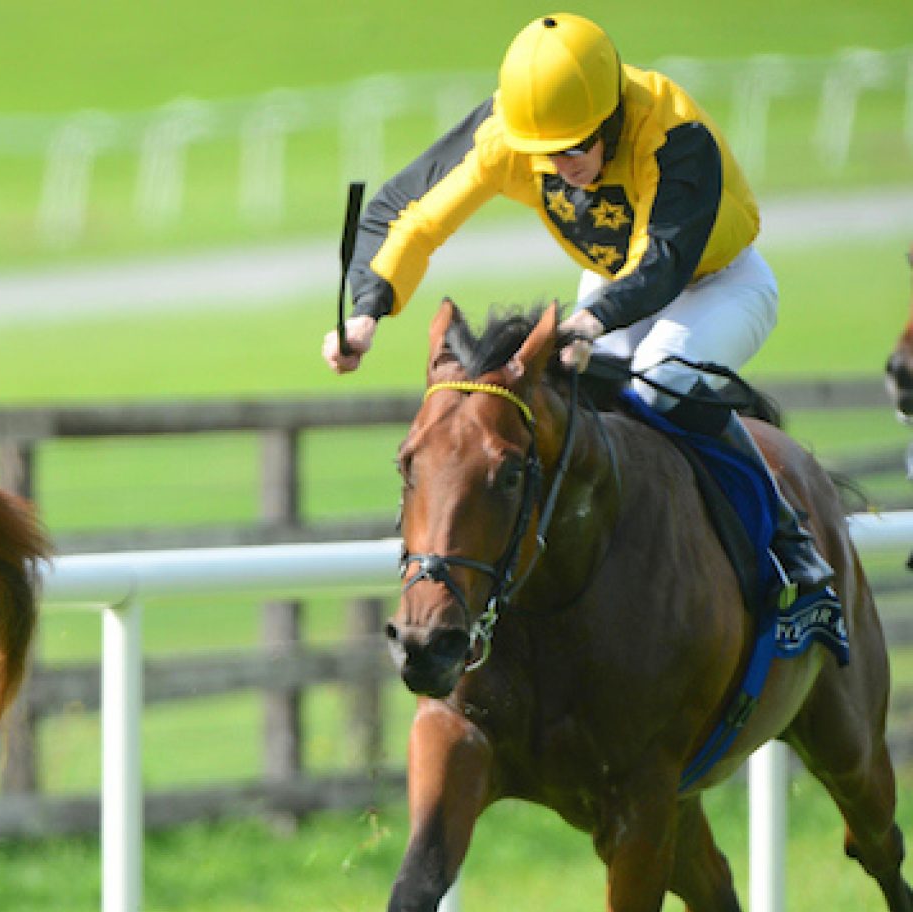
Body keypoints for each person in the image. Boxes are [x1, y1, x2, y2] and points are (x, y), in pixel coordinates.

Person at [324, 12, 836, 610]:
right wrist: (368, 310)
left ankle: (784, 529)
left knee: (663, 379)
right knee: (577, 404)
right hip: (617, 281)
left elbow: (665, 260)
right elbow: (406, 213)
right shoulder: (506, 135)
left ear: (612, 118)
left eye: (573, 148)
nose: (560, 167)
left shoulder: (673, 130)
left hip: (719, 281)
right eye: (542, 153)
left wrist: (593, 318)